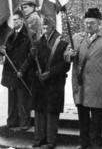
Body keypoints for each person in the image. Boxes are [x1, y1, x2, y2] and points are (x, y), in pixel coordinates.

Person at [64, 8, 102, 149]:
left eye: (92, 23)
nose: (88, 25)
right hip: (80, 83)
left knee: (96, 118)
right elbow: (66, 56)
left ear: (99, 23)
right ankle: (84, 143)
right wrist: (69, 54)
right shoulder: (76, 38)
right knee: (82, 117)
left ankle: (95, 144)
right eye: (87, 22)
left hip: (97, 84)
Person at [24, 18, 70, 149]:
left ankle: (51, 141)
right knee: (39, 112)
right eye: (43, 28)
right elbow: (32, 63)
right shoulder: (38, 43)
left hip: (55, 83)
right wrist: (32, 56)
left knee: (52, 113)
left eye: (46, 28)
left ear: (53, 27)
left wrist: (50, 73)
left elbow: (65, 65)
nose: (44, 31)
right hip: (40, 83)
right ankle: (39, 138)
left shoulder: (63, 44)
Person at [0, 10, 35, 130]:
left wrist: (23, 70)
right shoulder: (10, 34)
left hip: (23, 72)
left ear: (22, 20)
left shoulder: (31, 34)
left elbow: (32, 55)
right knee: (12, 99)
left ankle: (25, 123)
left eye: (16, 19)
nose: (14, 22)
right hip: (11, 71)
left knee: (23, 99)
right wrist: (2, 51)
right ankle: (12, 121)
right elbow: (6, 49)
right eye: (12, 20)